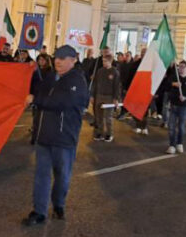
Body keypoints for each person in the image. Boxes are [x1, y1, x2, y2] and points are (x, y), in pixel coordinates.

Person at [23, 45, 89, 226]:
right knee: (41, 175)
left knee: (62, 176)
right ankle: (39, 211)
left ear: (73, 60)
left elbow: (62, 102)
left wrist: (36, 100)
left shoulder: (78, 81)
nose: (58, 61)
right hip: (44, 136)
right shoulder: (51, 76)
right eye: (56, 57)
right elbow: (38, 90)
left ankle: (58, 204)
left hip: (64, 138)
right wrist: (31, 71)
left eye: (63, 58)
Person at [165, 61, 186, 154]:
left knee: (181, 127)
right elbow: (166, 87)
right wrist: (173, 84)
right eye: (179, 67)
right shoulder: (174, 78)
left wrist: (185, 98)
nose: (181, 69)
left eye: (183, 67)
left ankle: (179, 143)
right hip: (173, 105)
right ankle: (172, 145)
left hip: (184, 107)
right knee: (171, 126)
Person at [90, 55, 120, 142]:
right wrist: (92, 95)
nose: (104, 63)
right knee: (98, 116)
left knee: (108, 117)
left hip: (109, 97)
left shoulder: (115, 72)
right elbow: (95, 84)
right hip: (99, 96)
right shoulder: (99, 71)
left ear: (110, 61)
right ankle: (100, 132)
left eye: (105, 61)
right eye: (103, 61)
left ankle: (109, 134)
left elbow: (117, 86)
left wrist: (116, 98)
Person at [29, 53, 54, 145]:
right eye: (39, 60)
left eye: (43, 60)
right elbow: (32, 82)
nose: (41, 62)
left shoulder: (50, 72)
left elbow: (48, 84)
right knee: (35, 118)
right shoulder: (36, 71)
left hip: (44, 98)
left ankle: (38, 137)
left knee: (41, 119)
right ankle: (35, 136)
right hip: (36, 97)